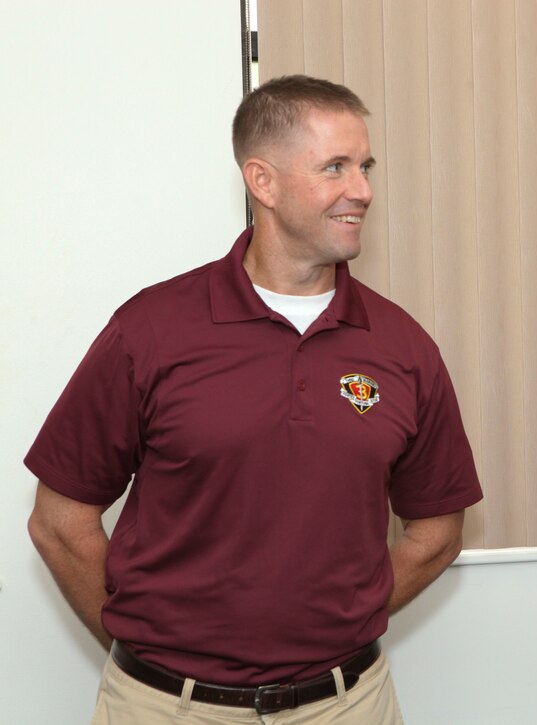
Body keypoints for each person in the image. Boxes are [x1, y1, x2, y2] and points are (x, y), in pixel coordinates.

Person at [26, 75, 482, 724]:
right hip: (164, 708)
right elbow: (59, 519)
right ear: (262, 182)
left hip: (346, 704)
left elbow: (436, 531)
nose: (363, 191)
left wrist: (338, 620)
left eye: (366, 166)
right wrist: (152, 651)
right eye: (335, 168)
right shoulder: (151, 329)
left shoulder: (402, 346)